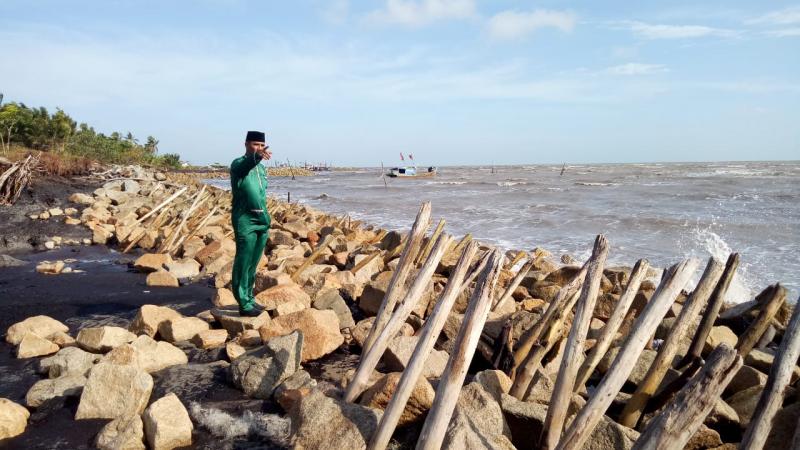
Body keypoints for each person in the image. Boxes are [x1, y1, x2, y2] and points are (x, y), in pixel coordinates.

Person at [230, 130, 272, 317]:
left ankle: (249, 297)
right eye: (255, 144)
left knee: (254, 263)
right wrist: (256, 157)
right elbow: (246, 164)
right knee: (243, 261)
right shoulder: (239, 164)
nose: (259, 148)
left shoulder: (262, 169)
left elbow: (261, 194)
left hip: (262, 220)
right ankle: (243, 304)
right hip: (245, 219)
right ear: (246, 144)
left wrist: (267, 218)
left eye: (262, 145)